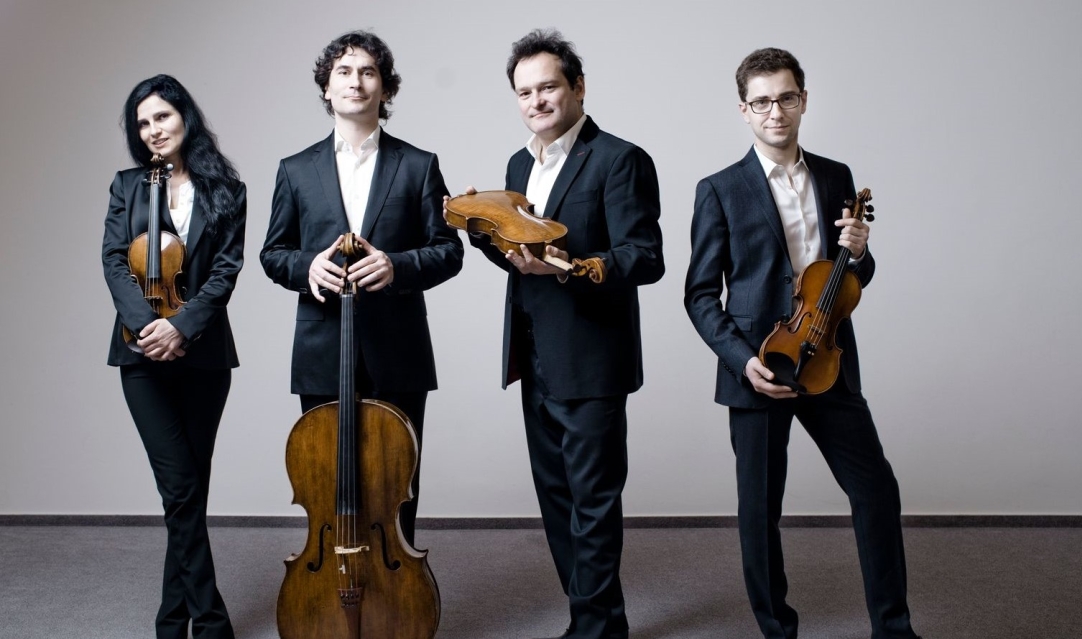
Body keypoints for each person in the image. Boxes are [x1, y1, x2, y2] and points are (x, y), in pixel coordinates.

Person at [683, 48, 921, 639]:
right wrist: (743, 362)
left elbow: (849, 283)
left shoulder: (837, 176)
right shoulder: (718, 189)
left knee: (876, 490)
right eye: (761, 101)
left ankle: (894, 629)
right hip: (763, 367)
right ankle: (777, 631)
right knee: (761, 514)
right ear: (744, 109)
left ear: (804, 101)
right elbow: (699, 296)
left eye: (786, 97)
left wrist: (860, 253)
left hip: (830, 363)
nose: (775, 112)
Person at [458, 28, 664, 639]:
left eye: (548, 87)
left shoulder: (621, 158)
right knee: (555, 498)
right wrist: (483, 230)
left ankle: (595, 628)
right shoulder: (519, 164)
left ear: (577, 87)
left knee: (593, 500)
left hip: (593, 355)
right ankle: (597, 620)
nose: (537, 101)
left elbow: (645, 255)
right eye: (525, 92)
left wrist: (580, 267)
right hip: (534, 353)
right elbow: (520, 257)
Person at [261, 30, 462, 546]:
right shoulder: (295, 169)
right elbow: (272, 253)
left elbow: (449, 250)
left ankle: (399, 606)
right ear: (326, 88)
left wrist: (396, 266)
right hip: (322, 349)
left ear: (386, 89)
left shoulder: (419, 165)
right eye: (344, 72)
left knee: (399, 488)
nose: (356, 81)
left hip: (399, 350)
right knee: (327, 485)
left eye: (368, 71)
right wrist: (307, 269)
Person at [102, 74, 245, 639]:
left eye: (161, 116)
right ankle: (210, 622)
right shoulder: (127, 186)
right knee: (180, 489)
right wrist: (147, 327)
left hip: (204, 354)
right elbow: (115, 260)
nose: (153, 129)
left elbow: (225, 271)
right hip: (141, 358)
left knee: (187, 491)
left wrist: (181, 326)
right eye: (143, 122)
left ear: (184, 116)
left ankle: (170, 621)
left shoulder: (226, 190)